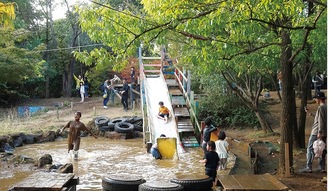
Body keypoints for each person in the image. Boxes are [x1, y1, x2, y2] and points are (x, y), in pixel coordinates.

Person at [300, 91, 327, 173]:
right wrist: (310, 113)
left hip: (317, 132)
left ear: (319, 99)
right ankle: (322, 167)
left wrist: (320, 132)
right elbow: (319, 118)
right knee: (322, 149)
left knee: (310, 148)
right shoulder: (326, 107)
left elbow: (321, 121)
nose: (315, 100)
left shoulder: (321, 108)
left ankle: (309, 167)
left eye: (316, 98)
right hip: (325, 131)